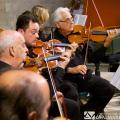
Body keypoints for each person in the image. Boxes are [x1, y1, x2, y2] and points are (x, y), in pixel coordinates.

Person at [46, 7, 118, 119]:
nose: (72, 22)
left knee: (108, 89)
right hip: (66, 78)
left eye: (72, 19)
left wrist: (106, 44)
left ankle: (86, 116)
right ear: (58, 24)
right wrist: (71, 69)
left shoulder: (79, 36)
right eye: (67, 20)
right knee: (72, 94)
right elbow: (51, 66)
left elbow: (93, 58)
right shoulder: (52, 41)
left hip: (83, 76)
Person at [16, 12, 80, 120]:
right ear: (21, 32)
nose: (38, 36)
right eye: (33, 32)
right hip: (32, 103)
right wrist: (60, 68)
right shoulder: (18, 56)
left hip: (44, 90)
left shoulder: (33, 49)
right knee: (73, 105)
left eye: (37, 32)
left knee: (70, 91)